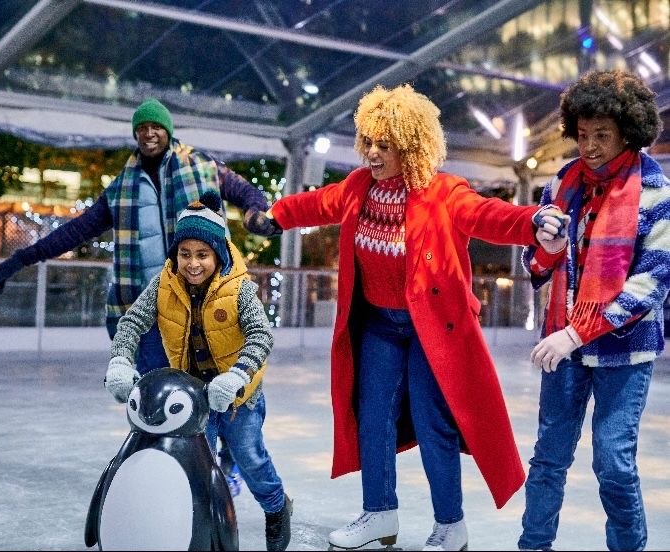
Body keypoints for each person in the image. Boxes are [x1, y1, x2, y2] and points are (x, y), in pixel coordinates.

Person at [264, 84, 563, 551]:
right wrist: (276, 216)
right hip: (379, 326)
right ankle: (379, 513)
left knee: (432, 423)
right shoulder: (358, 188)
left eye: (385, 145)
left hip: (432, 331)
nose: (372, 153)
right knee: (373, 419)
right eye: (369, 142)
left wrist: (531, 222)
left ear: (411, 146)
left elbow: (488, 215)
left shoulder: (444, 193)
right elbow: (318, 202)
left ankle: (450, 525)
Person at [0, 98, 281, 375]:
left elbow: (246, 192)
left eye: (156, 127)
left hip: (206, 302)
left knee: (214, 393)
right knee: (152, 391)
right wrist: (22, 258)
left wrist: (256, 213)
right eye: (142, 128)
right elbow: (76, 231)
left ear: (167, 131)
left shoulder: (203, 166)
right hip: (153, 307)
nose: (149, 133)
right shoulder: (121, 188)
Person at [519, 69, 670, 552]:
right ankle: (533, 546)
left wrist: (577, 332)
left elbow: (652, 282)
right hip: (565, 343)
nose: (588, 146)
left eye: (601, 135)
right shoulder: (562, 184)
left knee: (613, 462)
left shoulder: (656, 191)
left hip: (624, 350)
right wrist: (547, 248)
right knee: (548, 458)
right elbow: (536, 264)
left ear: (627, 133)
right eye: (582, 134)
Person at [104, 190, 293, 551]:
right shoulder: (163, 284)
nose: (193, 264)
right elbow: (130, 323)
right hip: (194, 398)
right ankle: (203, 527)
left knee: (249, 459)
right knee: (199, 466)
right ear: (175, 254)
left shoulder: (239, 289)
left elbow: (261, 335)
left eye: (202, 254)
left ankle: (276, 507)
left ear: (217, 254)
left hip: (240, 397)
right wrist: (120, 361)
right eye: (185, 253)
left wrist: (237, 376)